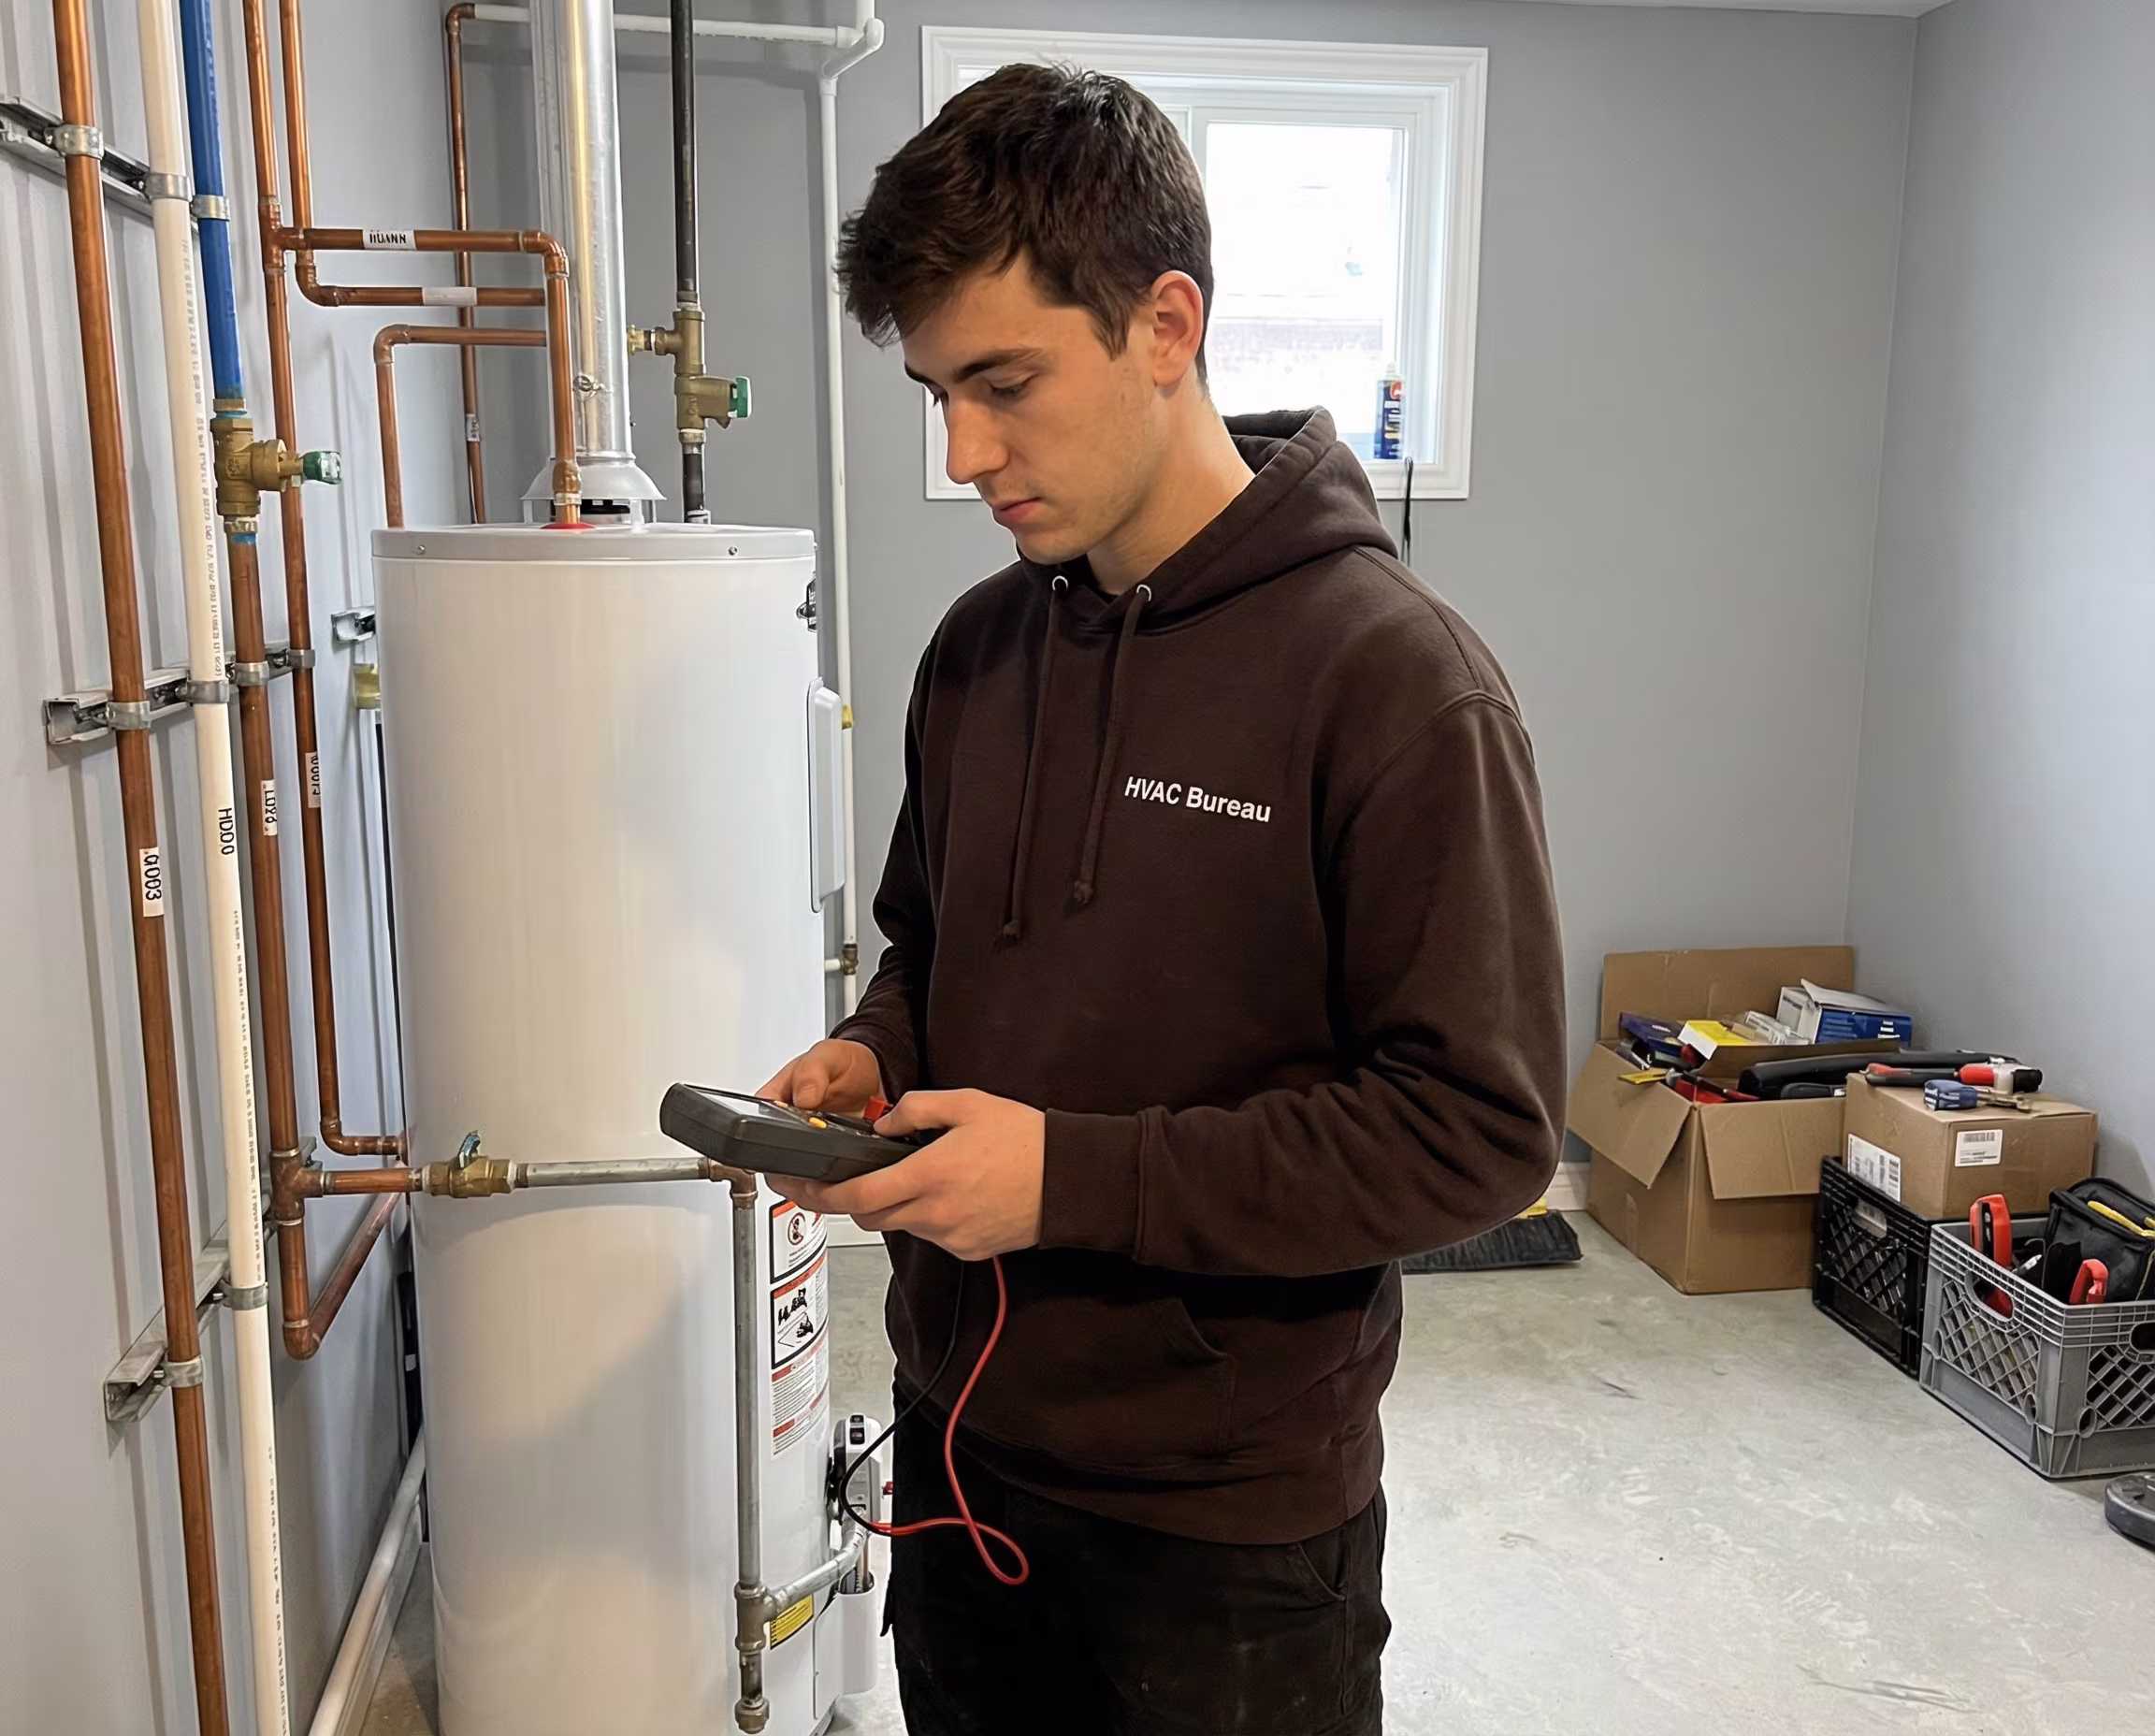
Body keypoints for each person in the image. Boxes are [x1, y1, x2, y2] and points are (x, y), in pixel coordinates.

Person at [759, 63, 1565, 1736]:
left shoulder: (1396, 684)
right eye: (937, 394)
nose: (967, 453)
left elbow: (1478, 1135)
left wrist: (1072, 1179)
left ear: (1166, 325)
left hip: (1227, 1527)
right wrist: (875, 1050)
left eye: (1005, 384)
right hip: (957, 1444)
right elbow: (930, 948)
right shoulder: (980, 650)